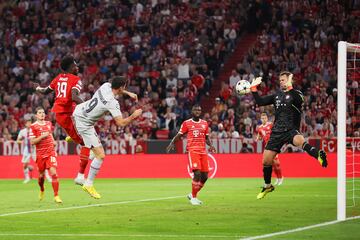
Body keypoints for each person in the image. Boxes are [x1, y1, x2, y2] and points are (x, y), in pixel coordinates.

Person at [250, 71, 328, 199]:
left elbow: (300, 101)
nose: (281, 82)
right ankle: (267, 185)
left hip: (291, 128)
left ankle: (318, 155)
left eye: (284, 79)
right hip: (276, 132)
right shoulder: (276, 96)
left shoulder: (296, 94)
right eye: (280, 80)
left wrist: (291, 87)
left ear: (290, 81)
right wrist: (253, 88)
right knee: (266, 161)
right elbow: (260, 101)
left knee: (299, 141)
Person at [72, 76, 142, 199]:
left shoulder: (105, 86)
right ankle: (88, 184)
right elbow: (121, 123)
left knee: (94, 152)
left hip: (79, 111)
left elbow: (114, 86)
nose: (125, 88)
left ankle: (77, 136)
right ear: (121, 87)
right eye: (124, 87)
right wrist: (133, 116)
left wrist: (128, 93)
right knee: (101, 155)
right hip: (85, 124)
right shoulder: (112, 103)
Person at [35, 56, 97, 185]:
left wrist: (38, 88)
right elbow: (74, 96)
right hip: (69, 114)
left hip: (61, 114)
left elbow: (46, 91)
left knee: (85, 137)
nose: (77, 67)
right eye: (75, 65)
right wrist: (88, 106)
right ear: (70, 67)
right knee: (87, 140)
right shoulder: (76, 79)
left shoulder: (58, 78)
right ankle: (80, 175)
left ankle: (76, 140)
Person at [166, 104, 216, 205]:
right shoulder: (187, 123)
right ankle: (193, 197)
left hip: (203, 151)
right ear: (192, 111)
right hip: (193, 151)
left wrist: (210, 145)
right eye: (195, 110)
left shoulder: (205, 123)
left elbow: (206, 137)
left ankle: (192, 194)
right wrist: (171, 143)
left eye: (199, 110)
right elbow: (179, 135)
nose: (197, 111)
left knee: (205, 176)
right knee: (197, 174)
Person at [29, 107, 62, 203]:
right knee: (41, 176)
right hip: (40, 155)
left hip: (50, 152)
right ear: (36, 115)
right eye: (39, 112)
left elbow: (50, 134)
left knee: (54, 173)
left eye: (43, 112)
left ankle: (56, 195)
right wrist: (42, 136)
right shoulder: (33, 126)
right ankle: (42, 189)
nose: (42, 114)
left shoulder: (48, 123)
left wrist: (53, 141)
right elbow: (32, 142)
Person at [17, 119, 52, 184]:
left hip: (35, 149)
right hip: (27, 149)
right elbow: (18, 141)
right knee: (25, 165)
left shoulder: (34, 130)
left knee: (41, 164)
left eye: (30, 123)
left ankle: (48, 177)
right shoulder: (22, 132)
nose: (29, 124)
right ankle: (27, 178)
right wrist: (22, 141)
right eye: (28, 123)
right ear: (25, 124)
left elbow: (39, 138)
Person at [256, 112, 283, 185]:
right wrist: (258, 138)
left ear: (267, 118)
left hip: (274, 145)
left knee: (276, 163)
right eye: (262, 118)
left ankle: (280, 178)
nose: (263, 119)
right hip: (267, 147)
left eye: (264, 118)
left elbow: (277, 131)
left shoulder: (271, 125)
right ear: (261, 119)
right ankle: (275, 179)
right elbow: (260, 136)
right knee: (270, 164)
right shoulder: (260, 128)